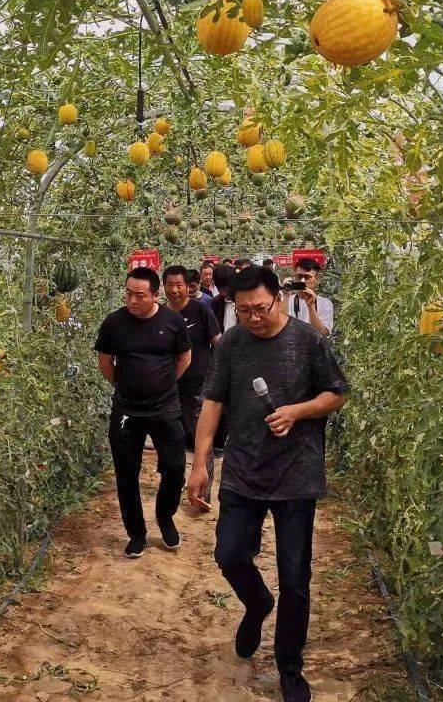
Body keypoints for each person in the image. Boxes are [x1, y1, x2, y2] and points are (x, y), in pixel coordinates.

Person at [186, 266, 348, 701]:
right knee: (229, 554)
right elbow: (213, 402)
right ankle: (257, 603)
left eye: (260, 308)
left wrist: (296, 411)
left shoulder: (308, 341)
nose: (253, 317)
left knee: (295, 577)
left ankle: (289, 665)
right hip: (243, 469)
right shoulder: (233, 343)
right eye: (243, 311)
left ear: (278, 298)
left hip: (297, 473)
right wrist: (200, 463)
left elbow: (337, 392)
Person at [95, 267, 192, 558]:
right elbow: (105, 361)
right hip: (127, 410)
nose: (132, 300)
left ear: (154, 295)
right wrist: (125, 386)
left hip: (165, 408)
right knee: (126, 473)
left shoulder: (172, 321)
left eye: (139, 295)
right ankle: (136, 533)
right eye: (128, 293)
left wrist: (163, 384)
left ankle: (165, 517)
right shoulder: (114, 322)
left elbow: (185, 357)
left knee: (174, 468)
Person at [162, 265, 221, 504]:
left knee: (202, 439)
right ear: (163, 286)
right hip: (168, 388)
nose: (174, 290)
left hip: (199, 387)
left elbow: (218, 342)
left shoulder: (201, 310)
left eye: (179, 285)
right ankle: (172, 488)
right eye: (170, 285)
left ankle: (202, 493)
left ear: (188, 286)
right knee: (171, 439)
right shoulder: (159, 315)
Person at [282, 258, 333, 337]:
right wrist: (285, 296)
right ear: (294, 276)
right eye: (299, 276)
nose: (302, 281)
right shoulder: (285, 299)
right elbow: (279, 328)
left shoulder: (325, 303)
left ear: (316, 279)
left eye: (307, 277)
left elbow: (324, 333)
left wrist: (311, 307)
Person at [211, 263, 236, 332]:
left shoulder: (244, 302)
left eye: (226, 287)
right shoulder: (215, 303)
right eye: (220, 287)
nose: (224, 292)